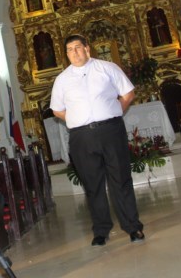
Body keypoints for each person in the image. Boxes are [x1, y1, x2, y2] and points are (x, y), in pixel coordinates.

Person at [50, 34, 144, 246]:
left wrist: (114, 111)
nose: (74, 53)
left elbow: (128, 93)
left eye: (77, 47)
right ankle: (101, 230)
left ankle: (133, 227)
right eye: (69, 50)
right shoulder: (62, 79)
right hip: (82, 137)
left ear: (87, 49)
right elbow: (57, 110)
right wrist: (77, 120)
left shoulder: (107, 68)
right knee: (93, 185)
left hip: (111, 131)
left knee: (120, 179)